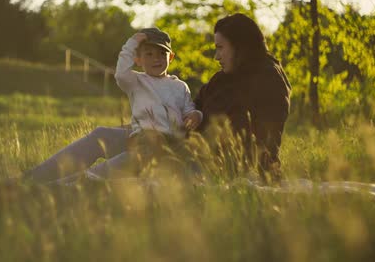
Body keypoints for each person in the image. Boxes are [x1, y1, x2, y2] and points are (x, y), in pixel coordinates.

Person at [23, 28, 201, 183]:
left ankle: (58, 188)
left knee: (103, 172)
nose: (156, 59)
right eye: (149, 54)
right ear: (137, 59)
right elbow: (120, 73)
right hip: (141, 140)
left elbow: (188, 109)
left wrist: (196, 115)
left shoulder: (180, 86)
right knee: (101, 134)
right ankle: (31, 179)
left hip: (167, 146)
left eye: (162, 54)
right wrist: (131, 44)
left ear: (171, 57)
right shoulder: (136, 81)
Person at [193, 13, 291, 178]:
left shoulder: (269, 78)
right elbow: (195, 107)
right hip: (197, 160)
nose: (216, 57)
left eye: (220, 48)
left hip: (236, 171)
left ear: (239, 46)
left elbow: (265, 142)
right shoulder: (222, 79)